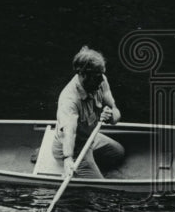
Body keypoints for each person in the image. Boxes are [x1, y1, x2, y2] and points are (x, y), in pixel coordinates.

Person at [52, 46, 125, 179]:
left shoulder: (100, 80)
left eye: (102, 75)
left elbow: (115, 111)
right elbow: (70, 132)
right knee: (101, 189)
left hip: (90, 138)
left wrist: (111, 117)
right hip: (74, 147)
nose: (102, 80)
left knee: (118, 153)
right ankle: (62, 156)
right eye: (97, 76)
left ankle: (90, 162)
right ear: (83, 74)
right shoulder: (69, 99)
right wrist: (68, 158)